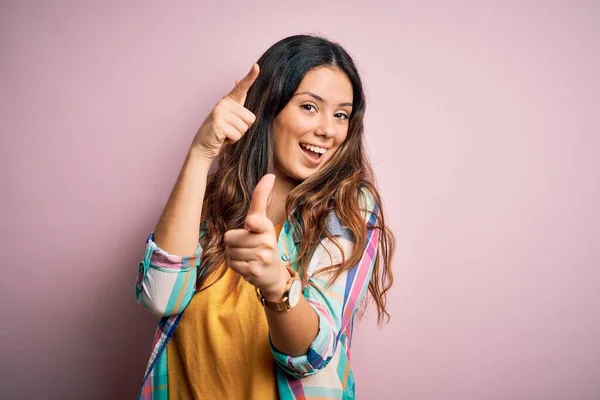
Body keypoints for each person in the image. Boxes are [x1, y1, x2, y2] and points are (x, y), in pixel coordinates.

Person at [134, 34, 395, 400]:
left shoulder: (350, 207)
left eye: (341, 115)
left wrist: (276, 284)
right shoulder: (213, 200)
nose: (328, 129)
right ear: (268, 108)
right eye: (309, 107)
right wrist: (200, 152)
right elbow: (160, 298)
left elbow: (312, 354)